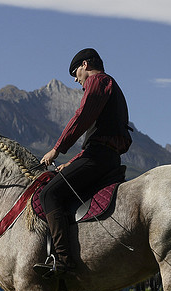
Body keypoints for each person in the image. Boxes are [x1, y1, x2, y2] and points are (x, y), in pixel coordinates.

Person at [35, 48, 132, 278]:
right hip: (104, 156)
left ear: (85, 65)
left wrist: (57, 149)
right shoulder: (111, 86)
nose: (76, 80)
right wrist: (71, 163)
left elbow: (81, 117)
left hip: (99, 158)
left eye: (75, 72)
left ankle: (64, 261)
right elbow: (99, 139)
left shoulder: (98, 81)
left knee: (48, 195)